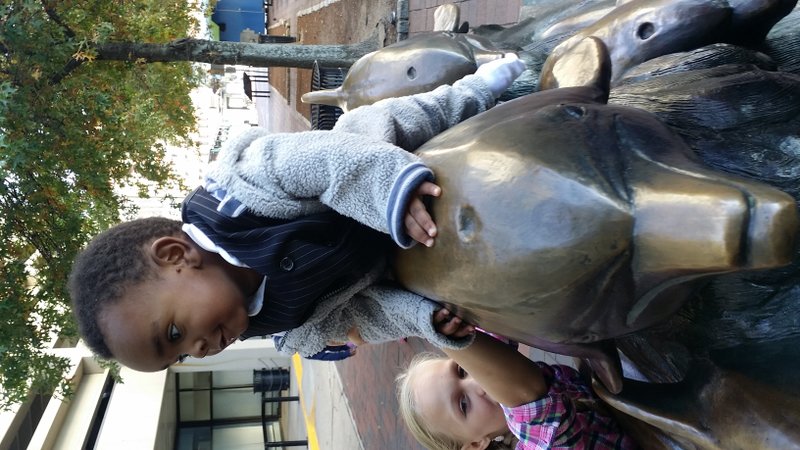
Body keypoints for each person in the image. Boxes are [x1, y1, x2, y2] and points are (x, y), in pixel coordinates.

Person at [67, 54, 527, 372]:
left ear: (174, 255)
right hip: (385, 260)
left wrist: (392, 190)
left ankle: (485, 86)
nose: (199, 349)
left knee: (394, 121)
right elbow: (361, 313)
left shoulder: (241, 192)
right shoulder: (278, 322)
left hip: (374, 163)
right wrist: (420, 319)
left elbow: (324, 160)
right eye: (181, 355)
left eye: (173, 332)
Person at [396, 331, 639, 450]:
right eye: (463, 404)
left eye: (461, 369)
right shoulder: (536, 441)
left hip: (619, 404)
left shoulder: (500, 374)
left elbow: (490, 331)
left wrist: (446, 328)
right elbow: (529, 399)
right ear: (476, 444)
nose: (477, 381)